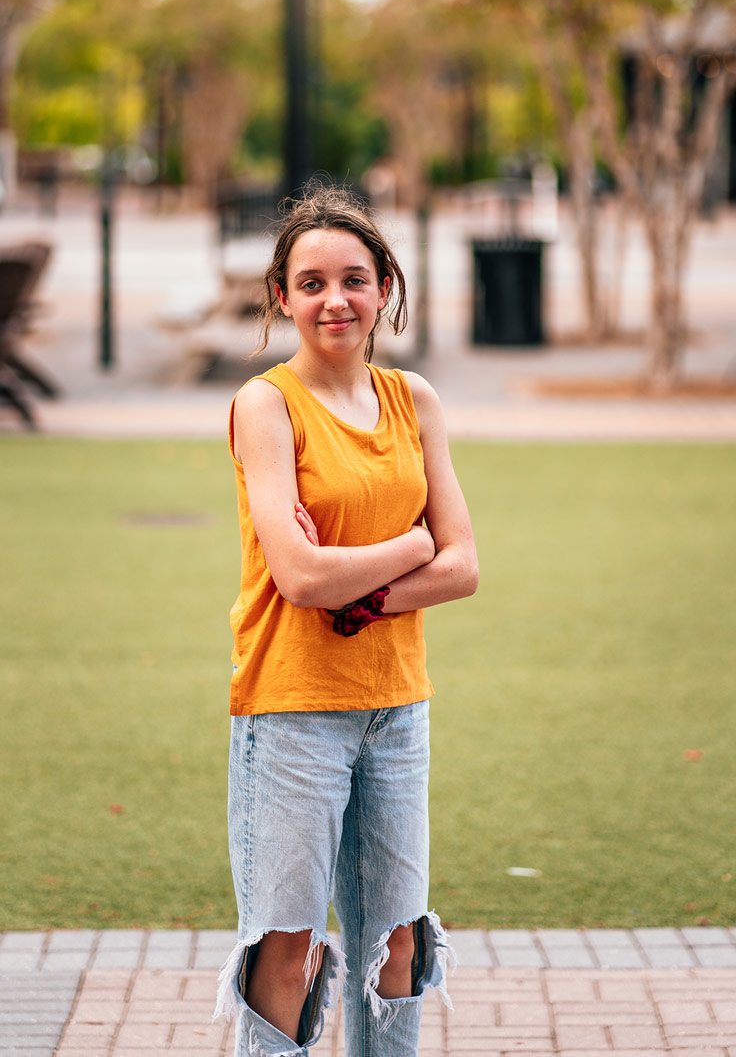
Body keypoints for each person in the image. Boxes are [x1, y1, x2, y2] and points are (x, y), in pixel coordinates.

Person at [214, 184, 478, 1057]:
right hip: (292, 709)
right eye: (313, 281)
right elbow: (297, 575)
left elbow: (465, 565)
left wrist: (357, 584)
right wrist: (410, 546)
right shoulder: (266, 405)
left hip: (396, 705)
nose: (336, 299)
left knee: (400, 938)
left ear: (385, 289)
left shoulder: (416, 400)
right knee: (288, 947)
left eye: (356, 279)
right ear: (281, 296)